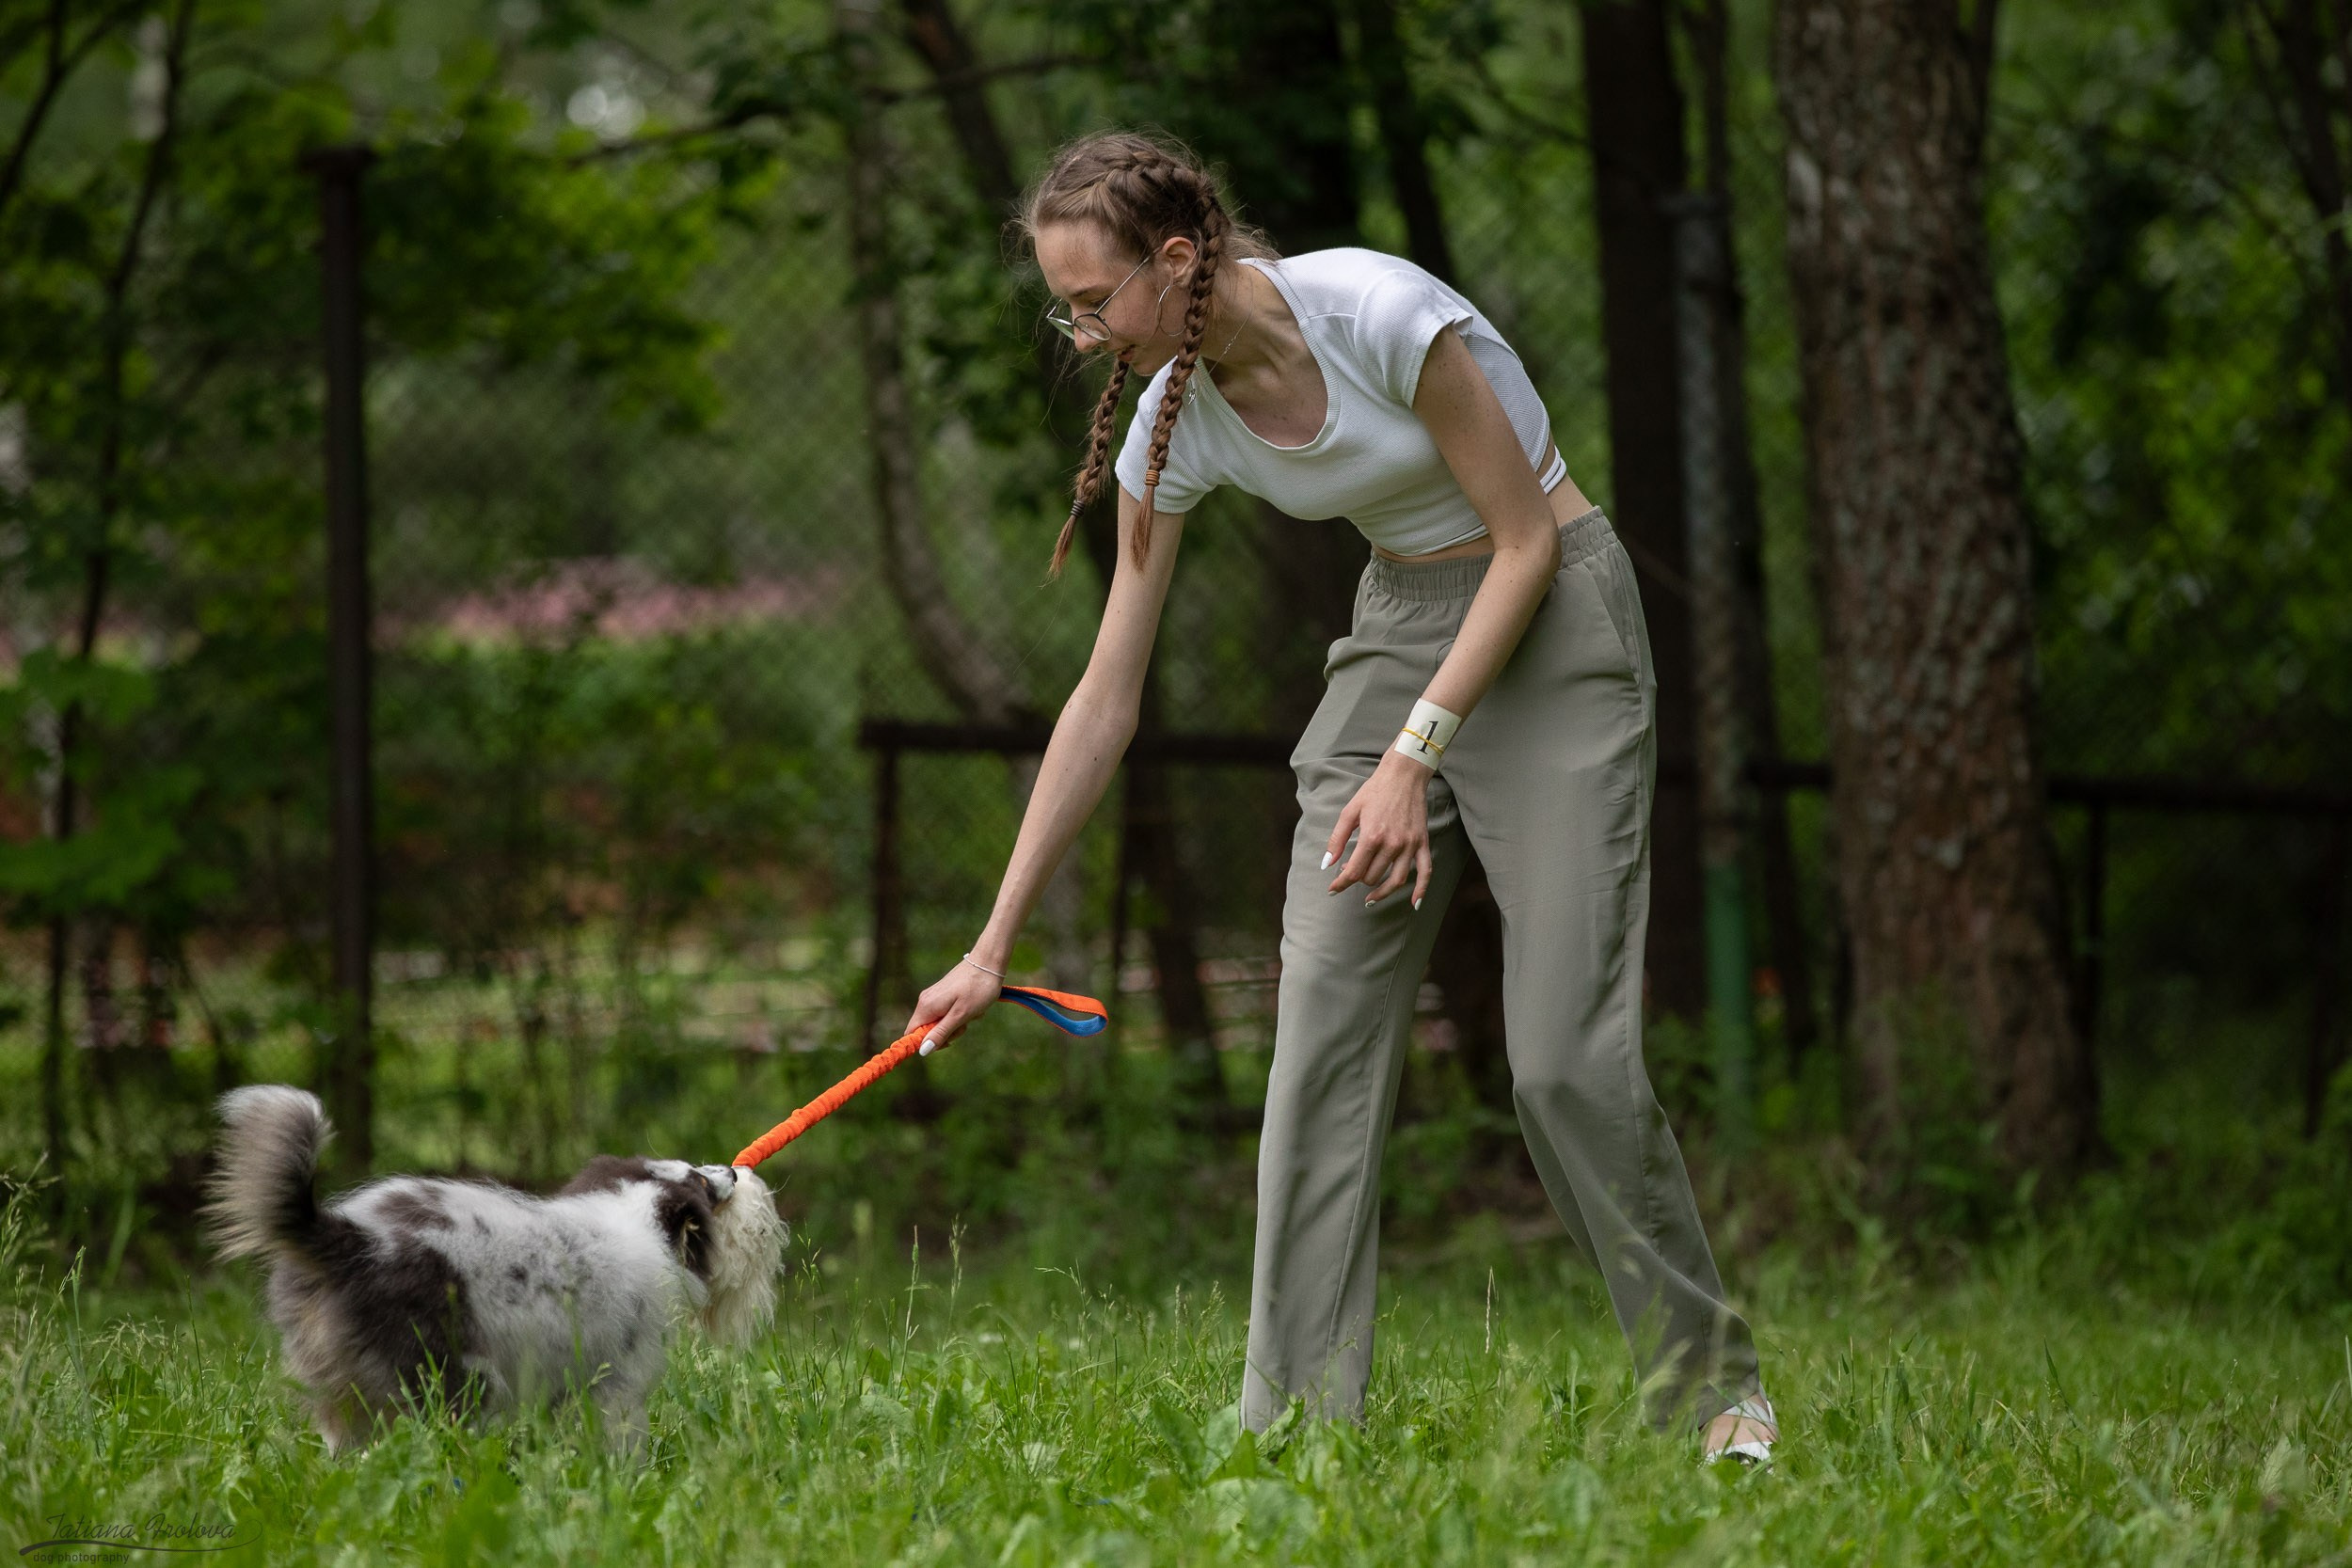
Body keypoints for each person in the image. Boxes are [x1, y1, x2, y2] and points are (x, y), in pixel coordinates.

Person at [903, 130, 1775, 1464]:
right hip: (1402, 624)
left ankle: (1715, 1394)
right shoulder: (1171, 425)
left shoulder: (1382, 314)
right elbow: (1106, 694)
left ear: (1179, 260)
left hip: (1549, 618)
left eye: (1092, 302)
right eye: (1061, 306)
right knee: (1317, 1044)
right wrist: (991, 941)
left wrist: (1412, 757)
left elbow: (1527, 540)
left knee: (1561, 1061)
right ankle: (1295, 1430)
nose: (1077, 334)